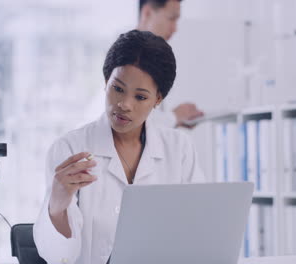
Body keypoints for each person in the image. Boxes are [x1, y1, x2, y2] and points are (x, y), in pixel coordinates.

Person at [33, 30, 205, 264]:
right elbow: (58, 256)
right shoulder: (70, 148)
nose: (124, 104)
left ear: (158, 100)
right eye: (118, 89)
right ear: (106, 82)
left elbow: (198, 229)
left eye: (141, 97)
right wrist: (57, 205)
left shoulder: (179, 149)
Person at [137, 0, 204, 128]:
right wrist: (173, 117)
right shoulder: (125, 59)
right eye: (171, 19)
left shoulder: (151, 56)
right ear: (147, 13)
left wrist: (175, 120)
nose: (174, 28)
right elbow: (128, 121)